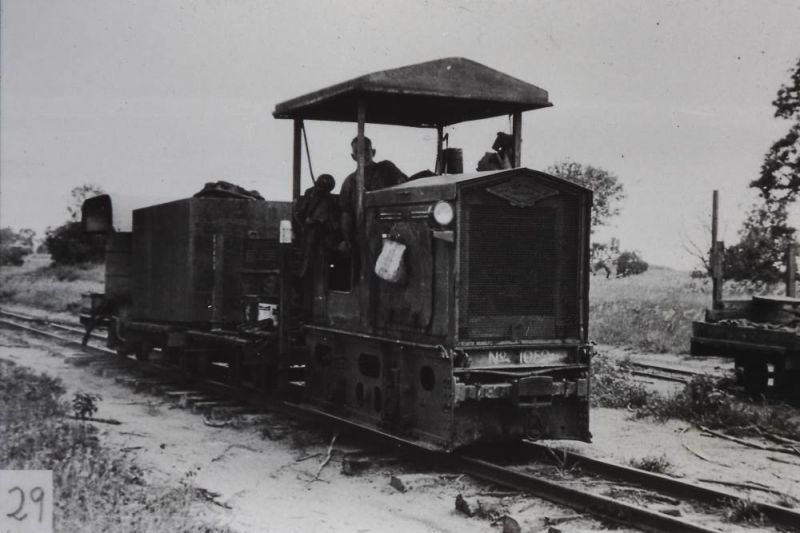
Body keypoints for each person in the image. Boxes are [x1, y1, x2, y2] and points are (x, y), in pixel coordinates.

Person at [339, 137, 407, 251]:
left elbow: (404, 186)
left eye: (366, 150)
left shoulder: (387, 168)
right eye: (358, 152)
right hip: (365, 234)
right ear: (353, 156)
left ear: (373, 152)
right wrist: (347, 240)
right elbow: (347, 214)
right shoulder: (350, 182)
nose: (363, 155)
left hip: (393, 228)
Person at [295, 174, 338, 277]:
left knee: (317, 262)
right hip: (312, 232)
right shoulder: (311, 193)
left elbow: (332, 220)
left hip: (322, 234)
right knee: (309, 262)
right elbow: (300, 212)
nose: (321, 191)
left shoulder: (328, 199)